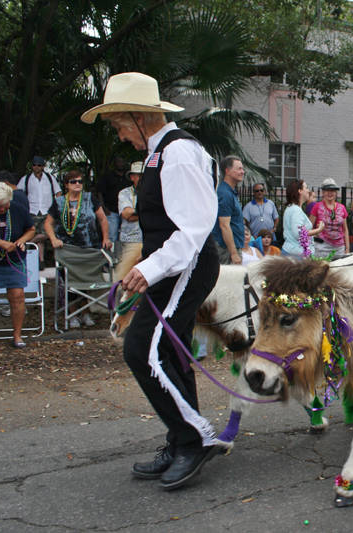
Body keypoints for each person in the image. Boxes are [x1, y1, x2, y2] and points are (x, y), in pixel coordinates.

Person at [84, 71, 222, 489]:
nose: (121, 136)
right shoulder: (163, 152)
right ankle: (182, 440)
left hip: (187, 265)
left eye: (120, 125)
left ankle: (193, 439)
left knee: (141, 350)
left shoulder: (176, 153)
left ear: (140, 117)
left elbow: (195, 228)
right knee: (168, 352)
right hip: (176, 264)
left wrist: (147, 268)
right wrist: (147, 264)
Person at [44, 169, 111, 328]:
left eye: (80, 181)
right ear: (66, 185)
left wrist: (106, 238)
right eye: (73, 181)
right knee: (70, 283)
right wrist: (53, 239)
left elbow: (102, 219)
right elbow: (48, 223)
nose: (78, 184)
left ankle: (85, 314)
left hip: (89, 247)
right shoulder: (60, 202)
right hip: (66, 249)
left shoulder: (89, 198)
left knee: (86, 281)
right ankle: (72, 316)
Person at [0, 182, 36, 348]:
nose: (2, 209)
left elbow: (31, 230)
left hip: (15, 261)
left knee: (17, 297)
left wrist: (22, 240)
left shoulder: (18, 209)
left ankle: (17, 336)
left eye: (5, 204)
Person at [17, 156, 62, 267]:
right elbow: (18, 193)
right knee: (39, 236)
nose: (36, 167)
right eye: (34, 165)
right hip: (32, 210)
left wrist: (57, 205)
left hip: (48, 211)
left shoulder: (50, 178)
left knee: (47, 233)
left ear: (42, 167)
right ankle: (41, 260)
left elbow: (58, 192)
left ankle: (27, 242)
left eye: (39, 165)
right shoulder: (26, 179)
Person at [211, 156, 246, 265]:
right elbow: (224, 225)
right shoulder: (225, 194)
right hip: (226, 249)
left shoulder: (230, 192)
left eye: (242, 169)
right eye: (239, 169)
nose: (242, 172)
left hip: (231, 247)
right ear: (228, 171)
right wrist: (234, 253)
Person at [115, 162, 144, 281]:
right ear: (132, 177)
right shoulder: (124, 193)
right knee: (128, 276)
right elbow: (127, 214)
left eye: (144, 175)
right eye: (138, 175)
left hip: (147, 242)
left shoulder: (153, 192)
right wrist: (146, 213)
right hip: (130, 241)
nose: (142, 178)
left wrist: (136, 213)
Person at [282, 180, 323, 256]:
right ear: (300, 191)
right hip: (295, 255)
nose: (308, 191)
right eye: (306, 188)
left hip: (292, 252)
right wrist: (318, 230)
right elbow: (299, 234)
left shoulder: (291, 208)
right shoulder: (296, 210)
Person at [309, 178, 349, 257]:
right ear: (323, 192)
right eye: (327, 190)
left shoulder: (342, 207)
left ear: (336, 192)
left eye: (333, 190)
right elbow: (309, 226)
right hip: (322, 246)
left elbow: (345, 229)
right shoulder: (317, 207)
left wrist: (347, 249)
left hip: (339, 247)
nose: (330, 192)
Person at [96, 156, 131, 242]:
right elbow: (100, 192)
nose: (120, 164)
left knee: (126, 236)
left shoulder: (128, 178)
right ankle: (111, 254)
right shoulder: (107, 177)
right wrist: (103, 207)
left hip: (126, 211)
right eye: (118, 162)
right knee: (112, 235)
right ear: (114, 163)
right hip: (111, 211)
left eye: (122, 162)